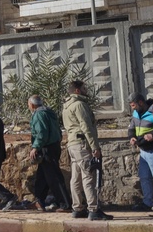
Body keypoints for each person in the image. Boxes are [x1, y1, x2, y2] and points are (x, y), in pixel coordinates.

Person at [63, 80, 111, 221]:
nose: (86, 90)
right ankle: (93, 209)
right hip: (83, 145)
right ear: (77, 90)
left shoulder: (66, 106)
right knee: (89, 176)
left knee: (75, 178)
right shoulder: (79, 105)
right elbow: (86, 127)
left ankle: (77, 208)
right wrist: (95, 147)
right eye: (84, 88)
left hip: (73, 144)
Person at [28, 95, 71, 212]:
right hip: (54, 146)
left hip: (46, 148)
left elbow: (41, 133)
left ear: (32, 105)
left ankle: (65, 204)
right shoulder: (49, 112)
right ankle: (39, 201)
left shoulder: (38, 114)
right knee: (42, 177)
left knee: (54, 177)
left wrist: (35, 147)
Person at [128, 94, 153, 211]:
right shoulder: (135, 113)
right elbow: (131, 127)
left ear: (140, 102)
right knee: (144, 177)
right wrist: (132, 137)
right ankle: (147, 202)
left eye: (133, 105)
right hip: (143, 150)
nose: (132, 108)